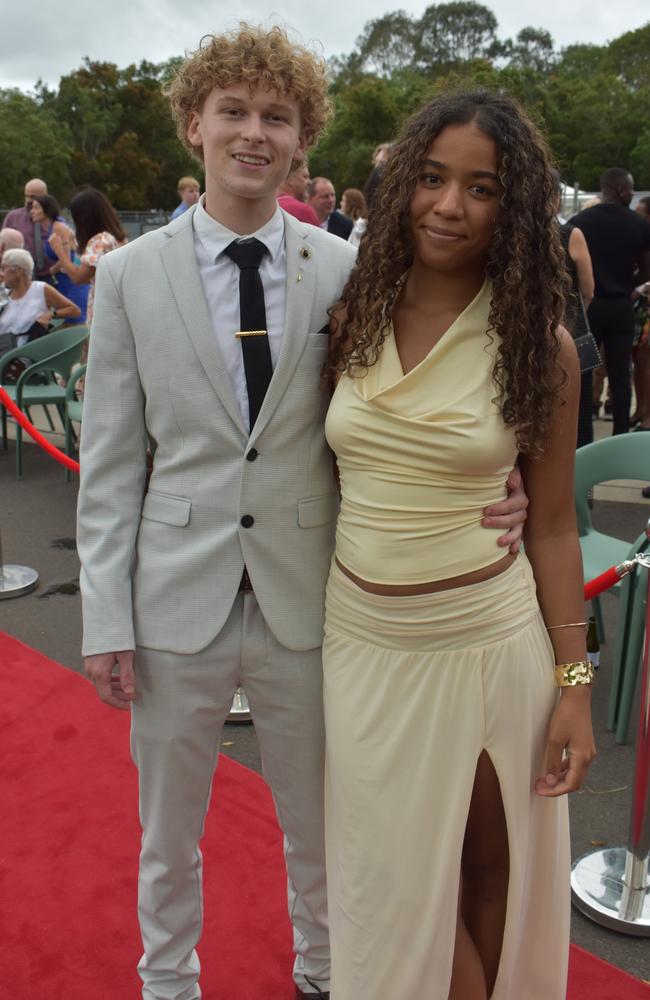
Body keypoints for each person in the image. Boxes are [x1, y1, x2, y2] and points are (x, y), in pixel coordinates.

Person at [76, 25, 528, 1000]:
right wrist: (105, 618)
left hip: (312, 603)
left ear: (300, 138)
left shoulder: (347, 267)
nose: (252, 132)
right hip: (170, 602)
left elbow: (423, 390)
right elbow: (109, 466)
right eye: (231, 112)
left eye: (273, 116)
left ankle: (324, 969)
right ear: (193, 124)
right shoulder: (126, 277)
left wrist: (505, 472)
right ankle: (167, 979)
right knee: (168, 827)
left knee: (323, 819)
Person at [323, 90, 595, 1000]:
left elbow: (553, 525)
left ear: (511, 210)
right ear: (403, 183)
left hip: (485, 646)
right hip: (361, 647)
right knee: (392, 890)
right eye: (433, 178)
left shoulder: (539, 348)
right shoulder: (349, 313)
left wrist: (574, 690)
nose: (449, 205)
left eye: (480, 188)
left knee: (489, 874)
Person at [572, 168, 650, 434]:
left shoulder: (580, 221)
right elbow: (647, 267)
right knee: (620, 374)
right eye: (630, 188)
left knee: (584, 372)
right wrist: (630, 282)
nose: (631, 192)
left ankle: (583, 434)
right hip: (621, 305)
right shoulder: (639, 224)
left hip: (588, 307)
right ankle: (619, 433)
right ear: (619, 188)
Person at [551, 171, 596, 447]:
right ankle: (581, 482)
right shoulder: (570, 235)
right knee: (579, 410)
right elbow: (589, 289)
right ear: (556, 198)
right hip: (571, 329)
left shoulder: (513, 233)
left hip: (523, 330)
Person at [48, 188, 127, 327]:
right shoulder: (118, 238)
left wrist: (59, 251)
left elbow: (79, 278)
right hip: (118, 308)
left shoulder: (100, 240)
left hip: (104, 313)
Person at [0, 248, 81, 348]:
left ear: (18, 270)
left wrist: (51, 314)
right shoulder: (4, 294)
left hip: (28, 355)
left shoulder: (40, 289)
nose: (1, 273)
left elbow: (75, 310)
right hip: (4, 353)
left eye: (3, 268)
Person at [29, 194, 90, 325]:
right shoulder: (50, 228)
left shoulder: (58, 227)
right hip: (62, 281)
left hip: (71, 282)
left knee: (76, 321)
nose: (32, 211)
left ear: (46, 209)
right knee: (66, 321)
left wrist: (52, 270)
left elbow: (66, 257)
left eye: (36, 208)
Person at [2, 178, 52, 281]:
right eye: (27, 196)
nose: (29, 200)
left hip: (51, 275)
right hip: (21, 277)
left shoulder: (54, 220)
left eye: (33, 197)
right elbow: (3, 245)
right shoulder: (13, 218)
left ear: (45, 196)